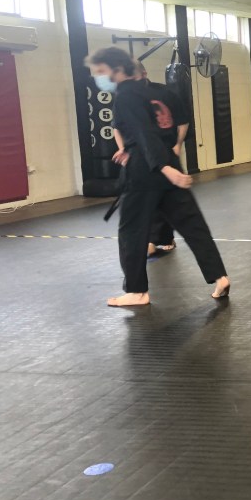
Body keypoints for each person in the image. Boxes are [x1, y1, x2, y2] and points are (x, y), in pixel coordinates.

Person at [90, 46, 229, 307]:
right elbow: (153, 132)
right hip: (165, 159)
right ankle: (220, 277)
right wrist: (167, 162)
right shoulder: (149, 92)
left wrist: (164, 168)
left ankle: (136, 291)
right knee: (192, 224)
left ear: (117, 69)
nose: (98, 77)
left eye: (100, 71)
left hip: (146, 171)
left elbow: (144, 134)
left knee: (131, 231)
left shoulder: (126, 96)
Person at [112, 60, 189, 256]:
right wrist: (123, 150)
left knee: (165, 198)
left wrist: (178, 144)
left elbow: (182, 121)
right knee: (142, 201)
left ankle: (164, 237)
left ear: (144, 74)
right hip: (138, 158)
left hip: (163, 153)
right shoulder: (124, 98)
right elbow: (117, 127)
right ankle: (149, 240)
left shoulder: (165, 94)